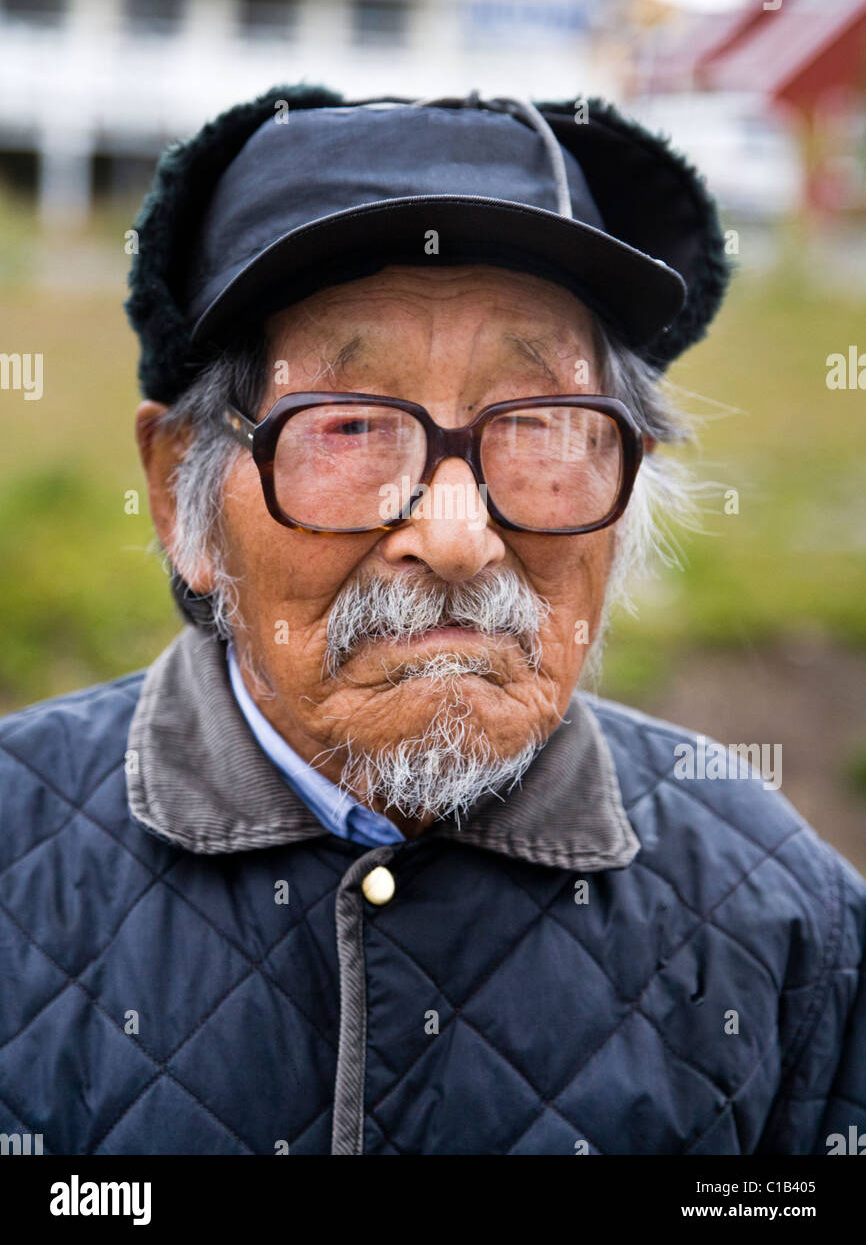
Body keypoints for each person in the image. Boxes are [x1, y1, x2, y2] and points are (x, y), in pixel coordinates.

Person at [1, 85, 863, 1156]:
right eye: (351, 424)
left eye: (541, 422)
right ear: (184, 489)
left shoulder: (786, 923)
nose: (454, 535)